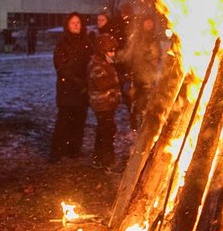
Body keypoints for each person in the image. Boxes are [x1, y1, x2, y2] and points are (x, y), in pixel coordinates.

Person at [50, 12, 91, 162]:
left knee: (79, 121)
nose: (76, 25)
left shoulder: (86, 42)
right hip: (67, 89)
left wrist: (87, 81)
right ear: (67, 25)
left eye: (78, 23)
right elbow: (61, 67)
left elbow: (91, 63)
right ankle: (57, 152)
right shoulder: (62, 43)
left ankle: (74, 149)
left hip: (83, 90)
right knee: (64, 121)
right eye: (73, 23)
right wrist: (76, 80)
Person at [123, 13, 163, 133]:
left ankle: (144, 123)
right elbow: (131, 55)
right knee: (135, 101)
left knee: (147, 100)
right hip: (137, 74)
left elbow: (158, 55)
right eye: (147, 21)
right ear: (142, 23)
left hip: (149, 75)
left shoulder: (154, 37)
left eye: (151, 22)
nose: (149, 24)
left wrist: (154, 62)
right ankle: (134, 124)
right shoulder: (137, 37)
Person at [87, 34, 122, 168]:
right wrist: (118, 80)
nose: (113, 54)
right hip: (101, 104)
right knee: (107, 131)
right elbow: (101, 83)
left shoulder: (106, 63)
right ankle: (107, 159)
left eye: (114, 51)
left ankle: (98, 158)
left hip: (108, 104)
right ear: (102, 51)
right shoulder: (96, 64)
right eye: (110, 51)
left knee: (105, 130)